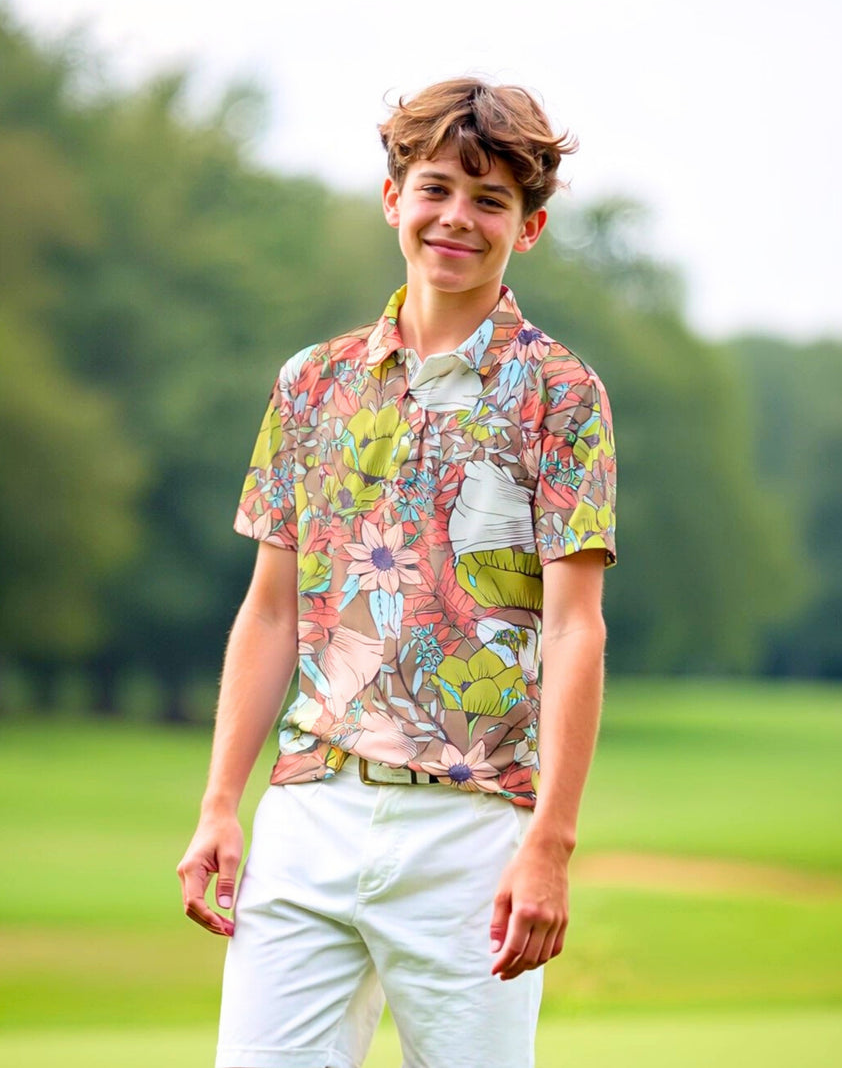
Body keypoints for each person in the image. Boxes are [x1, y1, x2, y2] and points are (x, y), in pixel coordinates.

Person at [177, 76, 617, 1068]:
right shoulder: (310, 382)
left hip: (472, 835)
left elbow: (572, 626)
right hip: (307, 810)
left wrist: (549, 841)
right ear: (392, 199)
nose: (456, 218)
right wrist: (219, 801)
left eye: (489, 200)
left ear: (528, 226)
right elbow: (270, 609)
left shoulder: (560, 393)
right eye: (433, 189)